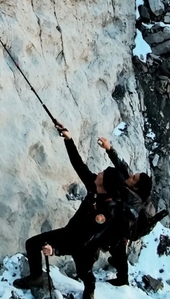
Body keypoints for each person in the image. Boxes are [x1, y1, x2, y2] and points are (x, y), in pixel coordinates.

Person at [13, 124, 126, 299]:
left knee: (84, 272)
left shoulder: (105, 214)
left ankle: (90, 289)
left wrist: (56, 250)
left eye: (102, 175)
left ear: (105, 186)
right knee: (32, 244)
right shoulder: (96, 186)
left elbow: (82, 240)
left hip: (86, 247)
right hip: (69, 233)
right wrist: (69, 139)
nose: (98, 173)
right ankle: (36, 277)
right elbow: (79, 166)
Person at [97, 136, 156, 286]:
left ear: (135, 187)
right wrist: (109, 148)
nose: (130, 176)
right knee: (118, 246)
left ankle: (122, 278)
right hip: (127, 219)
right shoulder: (135, 187)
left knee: (116, 243)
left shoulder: (132, 198)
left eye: (133, 178)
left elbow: (124, 222)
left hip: (129, 225)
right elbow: (124, 168)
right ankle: (119, 266)